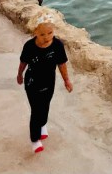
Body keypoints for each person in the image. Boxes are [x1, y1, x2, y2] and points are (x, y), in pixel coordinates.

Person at [16, 21, 72, 153]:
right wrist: (19, 75)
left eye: (50, 33)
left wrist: (66, 80)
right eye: (42, 34)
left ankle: (42, 125)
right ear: (35, 33)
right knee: (36, 110)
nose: (47, 37)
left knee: (45, 105)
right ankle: (35, 139)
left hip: (49, 81)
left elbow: (62, 64)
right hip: (32, 82)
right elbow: (23, 62)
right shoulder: (29, 46)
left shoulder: (57, 45)